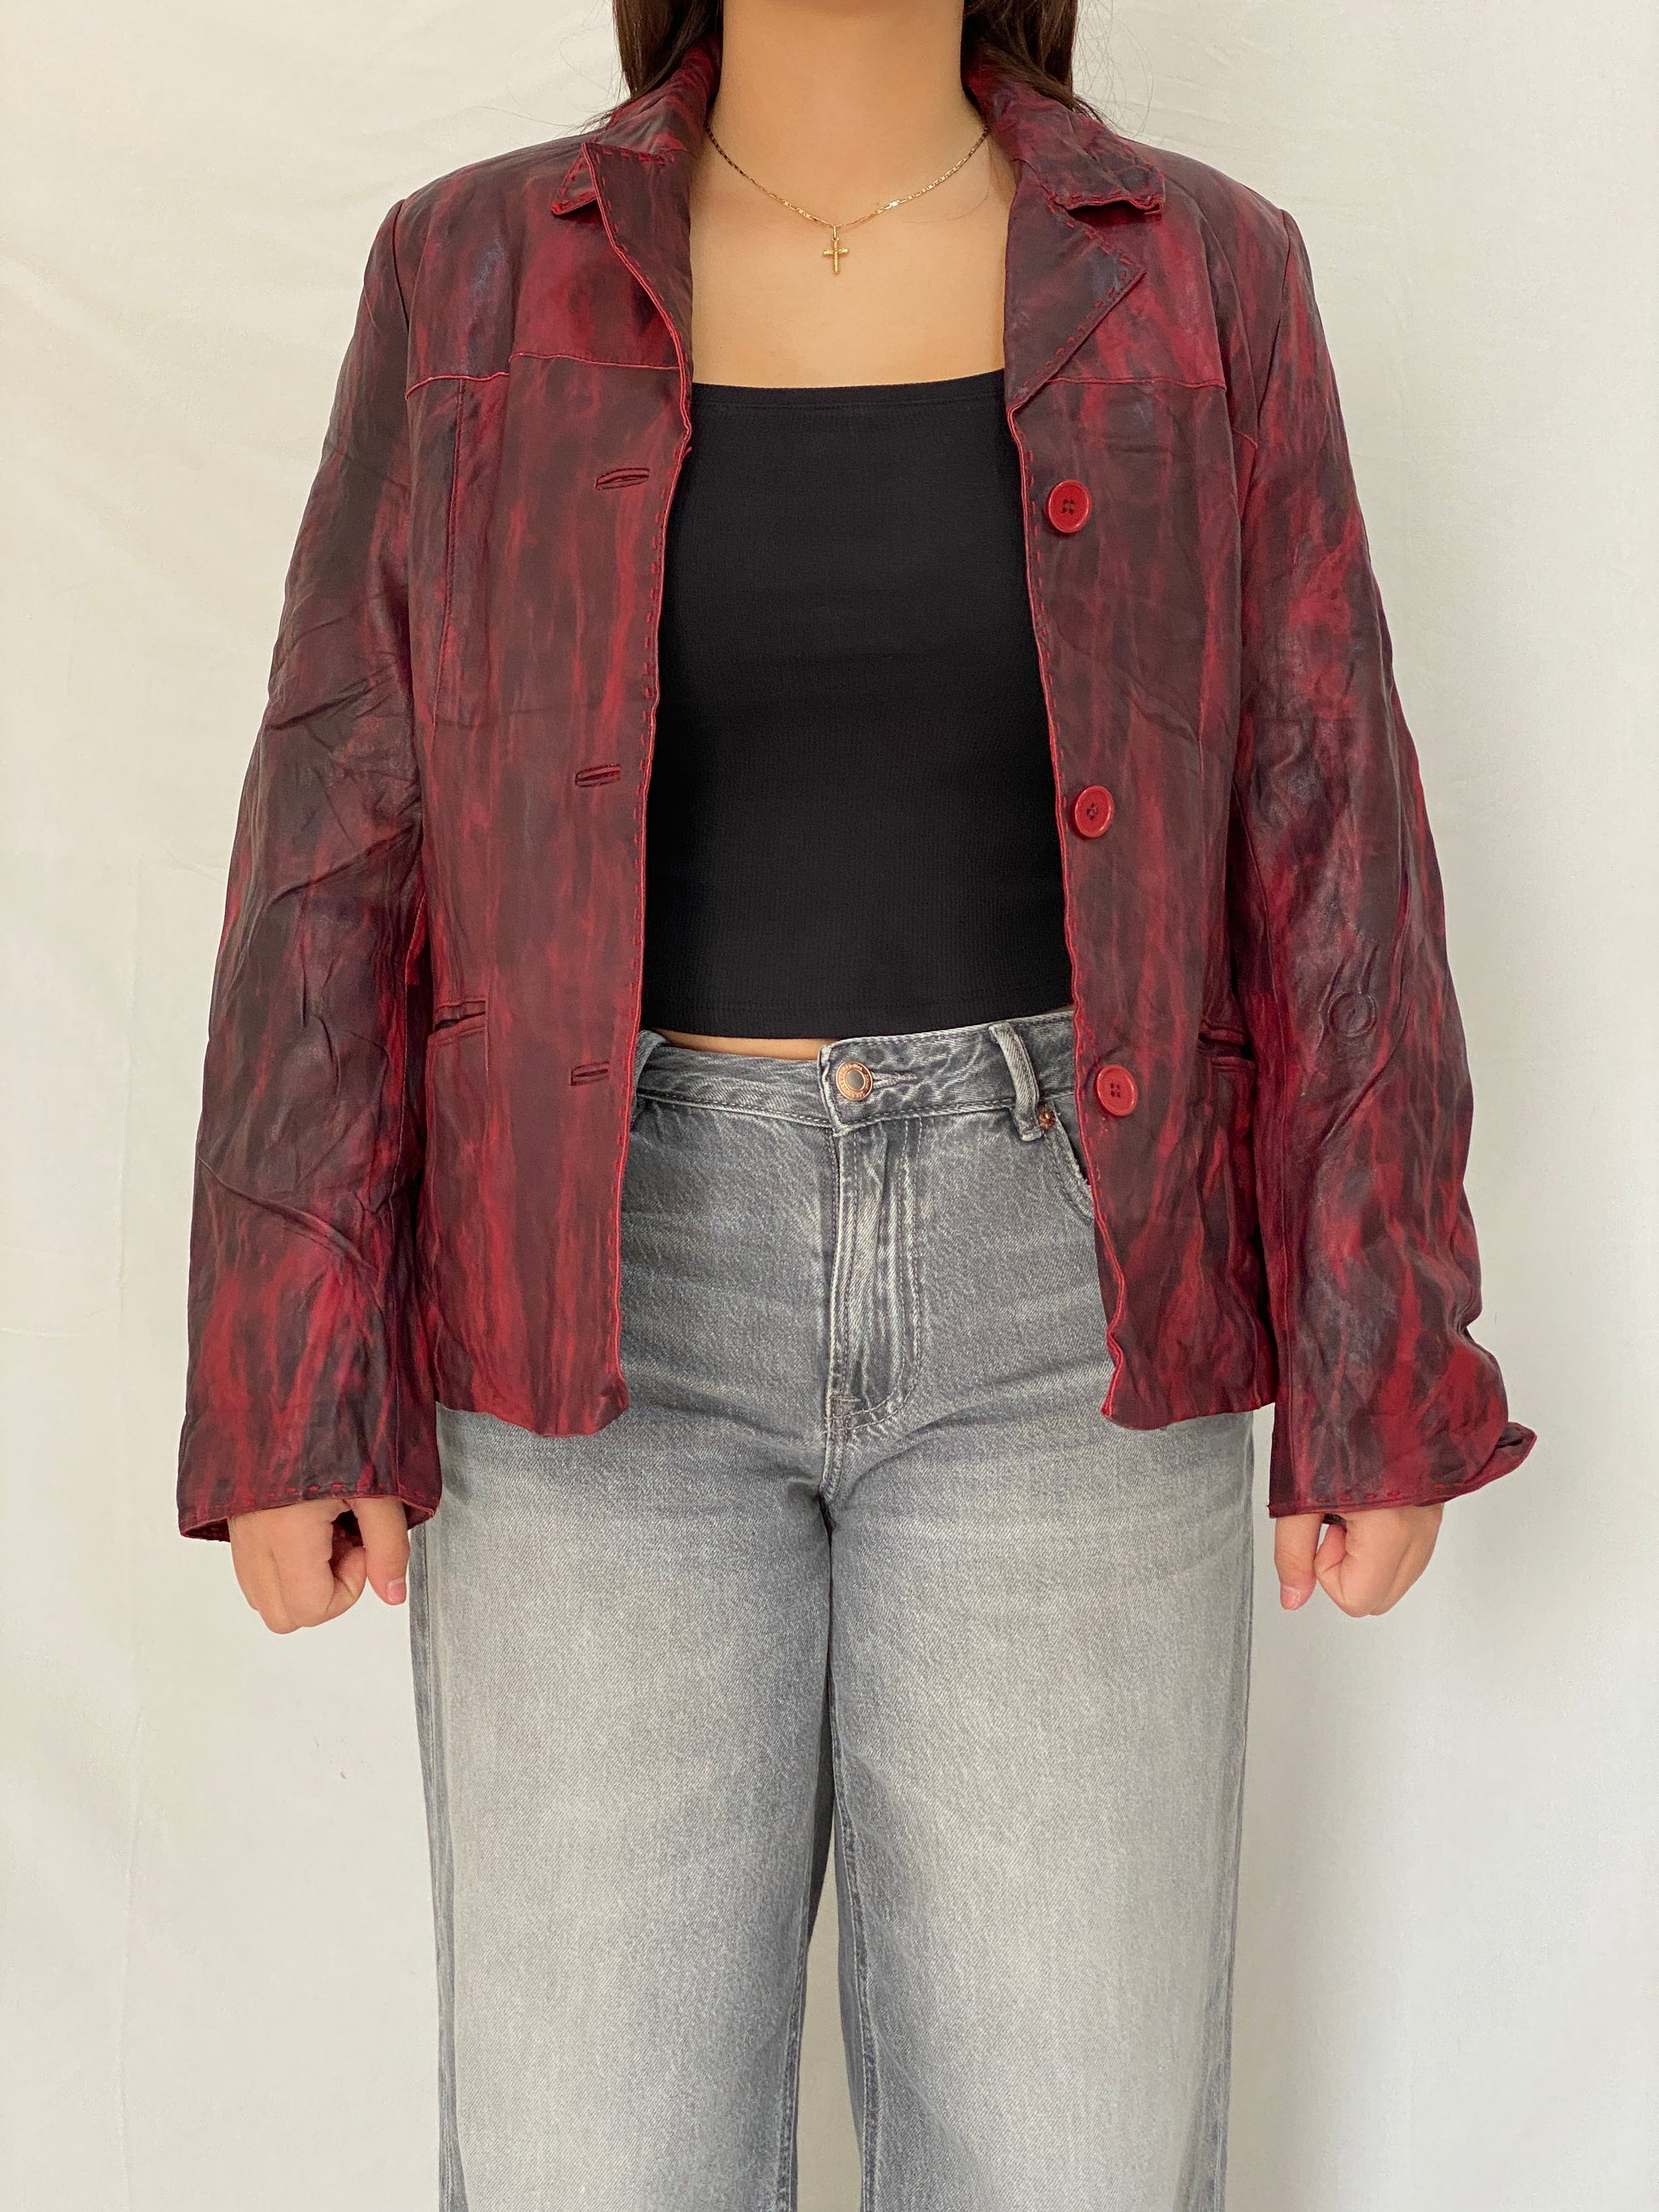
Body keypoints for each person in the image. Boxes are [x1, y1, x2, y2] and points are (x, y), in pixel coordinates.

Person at [176, 0, 1534, 2203]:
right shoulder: (471, 275)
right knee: (588, 2161)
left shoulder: (1204, 275)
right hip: (590, 1311)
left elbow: (1328, 815)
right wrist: (290, 1371)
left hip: (1073, 1311)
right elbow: (344, 813)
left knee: (1072, 2159)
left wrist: (1383, 1354)